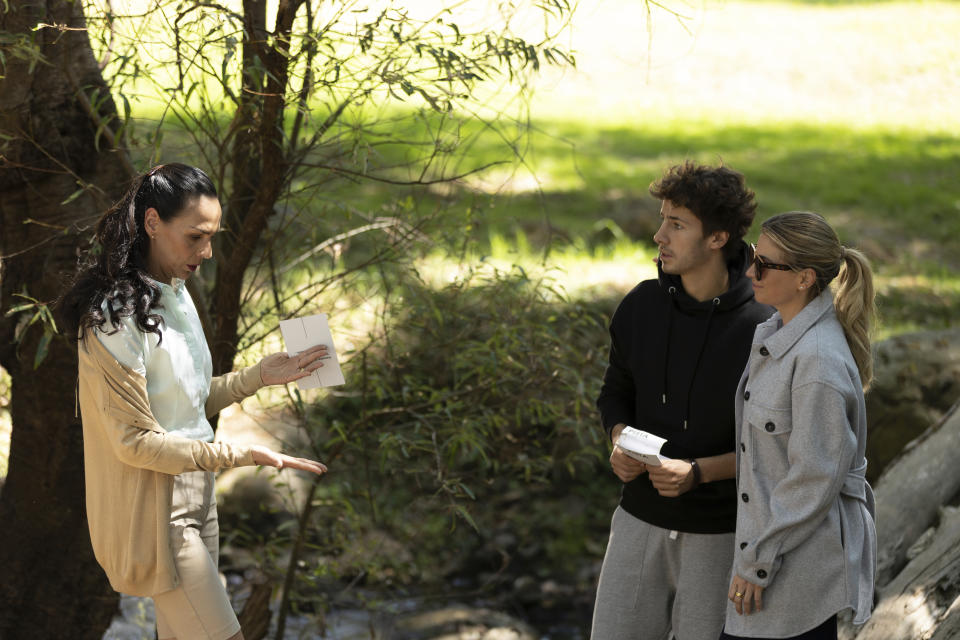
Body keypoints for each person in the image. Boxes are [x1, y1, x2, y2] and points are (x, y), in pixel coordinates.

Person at [62, 163, 329, 640]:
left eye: (212, 237)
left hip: (197, 498)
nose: (206, 252)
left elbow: (182, 406)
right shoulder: (115, 317)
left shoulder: (175, 294)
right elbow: (135, 443)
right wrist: (239, 455)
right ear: (151, 223)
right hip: (158, 510)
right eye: (195, 237)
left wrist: (258, 377)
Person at [592, 162, 772, 640]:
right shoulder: (641, 305)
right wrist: (619, 439)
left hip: (722, 536)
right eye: (662, 219)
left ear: (717, 238)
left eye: (676, 224)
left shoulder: (767, 328)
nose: (659, 236)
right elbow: (615, 392)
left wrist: (697, 473)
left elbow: (779, 448)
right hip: (636, 521)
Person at [722, 212, 877, 640]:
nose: (751, 270)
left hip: (791, 577)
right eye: (755, 256)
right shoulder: (778, 333)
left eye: (766, 264)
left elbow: (814, 477)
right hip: (765, 562)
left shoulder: (817, 361)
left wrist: (758, 562)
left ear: (805, 278)